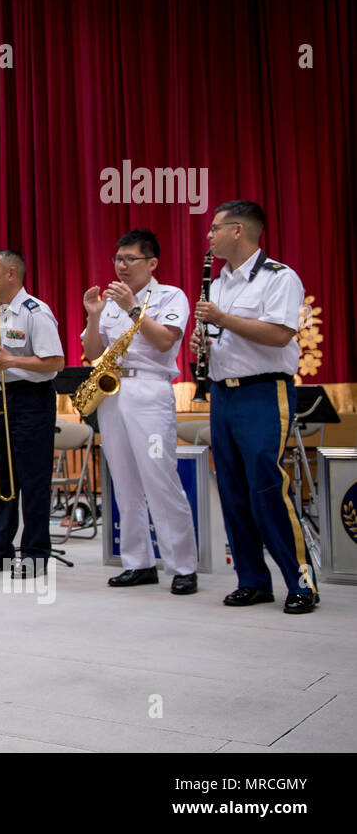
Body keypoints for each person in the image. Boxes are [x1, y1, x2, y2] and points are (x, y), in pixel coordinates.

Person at [192, 199, 316, 614]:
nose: (209, 236)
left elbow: (280, 335)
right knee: (231, 488)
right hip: (222, 393)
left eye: (215, 229)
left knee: (266, 484)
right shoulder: (220, 281)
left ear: (239, 231)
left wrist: (222, 319)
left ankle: (300, 582)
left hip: (264, 392)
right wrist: (203, 342)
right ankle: (252, 580)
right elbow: (221, 332)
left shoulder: (278, 278)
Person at [82, 230, 198, 594]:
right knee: (124, 481)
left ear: (151, 263)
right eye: (117, 259)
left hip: (149, 390)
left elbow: (166, 340)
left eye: (130, 259)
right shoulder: (110, 300)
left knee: (159, 477)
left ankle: (183, 566)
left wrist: (133, 307)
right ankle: (138, 562)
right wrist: (93, 316)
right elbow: (91, 352)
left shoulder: (170, 296)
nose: (121, 265)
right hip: (113, 391)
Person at [0, 250, 64, 575]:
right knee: (0, 480)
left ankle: (34, 554)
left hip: (32, 401)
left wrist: (14, 361)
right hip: (0, 400)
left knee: (33, 481)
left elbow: (55, 362)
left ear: (11, 273)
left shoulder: (35, 312)